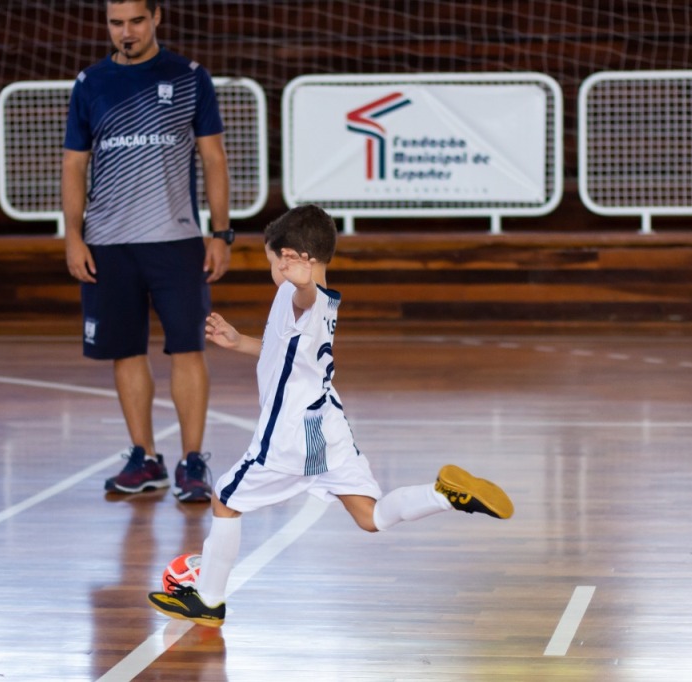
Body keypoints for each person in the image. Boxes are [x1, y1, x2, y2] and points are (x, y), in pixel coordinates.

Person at [147, 205, 514, 627]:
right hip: (326, 425)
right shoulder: (292, 293)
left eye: (273, 263)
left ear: (292, 259)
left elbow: (308, 298)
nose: (273, 272)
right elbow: (283, 349)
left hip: (290, 431)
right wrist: (239, 341)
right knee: (371, 516)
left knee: (226, 498)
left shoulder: (312, 299)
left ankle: (208, 600)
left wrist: (303, 283)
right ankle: (445, 495)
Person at [61, 0, 232, 503]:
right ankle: (145, 458)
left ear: (157, 17)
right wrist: (73, 236)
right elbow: (74, 166)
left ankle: (193, 461)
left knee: (188, 347)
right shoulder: (90, 84)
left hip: (177, 240)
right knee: (124, 350)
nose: (126, 32)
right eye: (116, 23)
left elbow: (214, 157)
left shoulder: (189, 77)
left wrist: (221, 233)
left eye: (136, 21)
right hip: (108, 244)